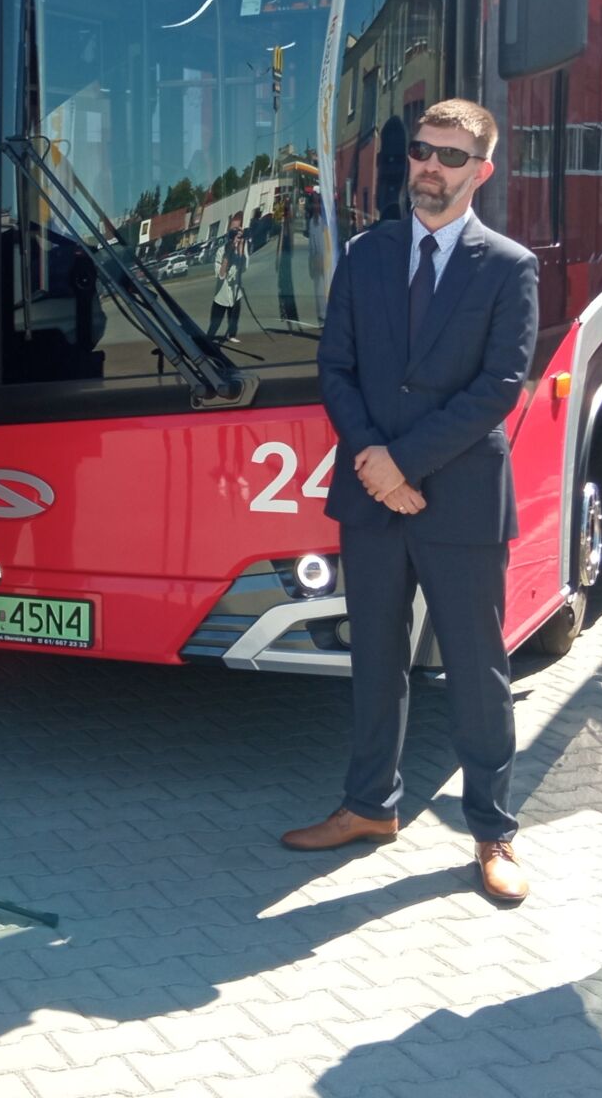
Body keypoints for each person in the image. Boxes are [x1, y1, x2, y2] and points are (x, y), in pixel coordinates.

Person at [283, 98, 539, 906]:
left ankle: (492, 830)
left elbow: (498, 387)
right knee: (373, 660)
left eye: (450, 156)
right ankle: (369, 807)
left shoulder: (509, 267)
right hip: (370, 494)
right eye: (422, 151)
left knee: (477, 669)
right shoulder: (367, 255)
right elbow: (336, 368)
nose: (429, 166)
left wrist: (403, 463)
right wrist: (374, 461)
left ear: (481, 171)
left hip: (458, 500)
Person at [207, 212, 249, 342]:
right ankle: (208, 341)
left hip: (235, 293)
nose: (234, 233)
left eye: (237, 230)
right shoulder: (221, 250)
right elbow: (220, 275)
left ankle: (231, 335)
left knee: (233, 319)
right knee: (214, 324)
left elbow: (244, 268)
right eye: (232, 230)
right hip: (221, 295)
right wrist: (229, 251)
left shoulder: (242, 248)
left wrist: (241, 246)